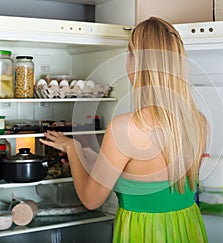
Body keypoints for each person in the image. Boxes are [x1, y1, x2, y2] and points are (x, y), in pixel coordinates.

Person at [40, 16, 208, 243]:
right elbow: (152, 178)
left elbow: (91, 200)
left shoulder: (125, 127)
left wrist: (72, 148)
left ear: (136, 61)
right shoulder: (198, 121)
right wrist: (91, 158)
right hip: (187, 229)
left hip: (143, 233)